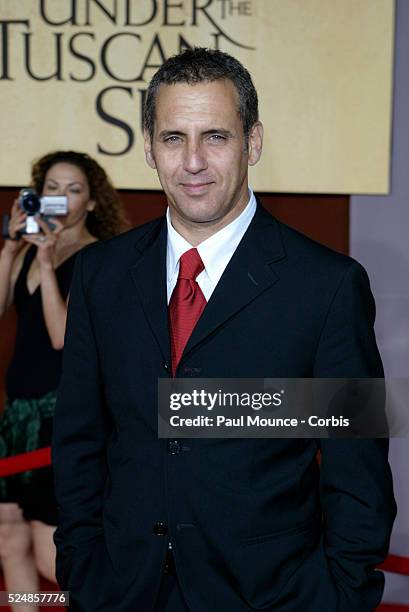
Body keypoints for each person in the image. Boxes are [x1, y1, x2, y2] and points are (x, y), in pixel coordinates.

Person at [52, 49, 396, 612]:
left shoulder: (327, 286)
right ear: (147, 146)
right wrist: (82, 566)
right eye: (172, 138)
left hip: (272, 596)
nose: (192, 162)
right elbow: (79, 439)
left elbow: (357, 468)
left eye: (215, 136)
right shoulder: (102, 274)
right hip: (121, 590)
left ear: (253, 142)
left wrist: (341, 595)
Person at [0, 150, 127, 611]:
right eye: (51, 188)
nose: (61, 199)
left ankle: (109, 603)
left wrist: (50, 263)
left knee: (52, 549)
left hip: (61, 413)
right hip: (18, 413)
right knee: (9, 541)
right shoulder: (27, 251)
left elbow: (61, 337)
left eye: (73, 190)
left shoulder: (97, 257)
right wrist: (13, 248)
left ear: (92, 202)